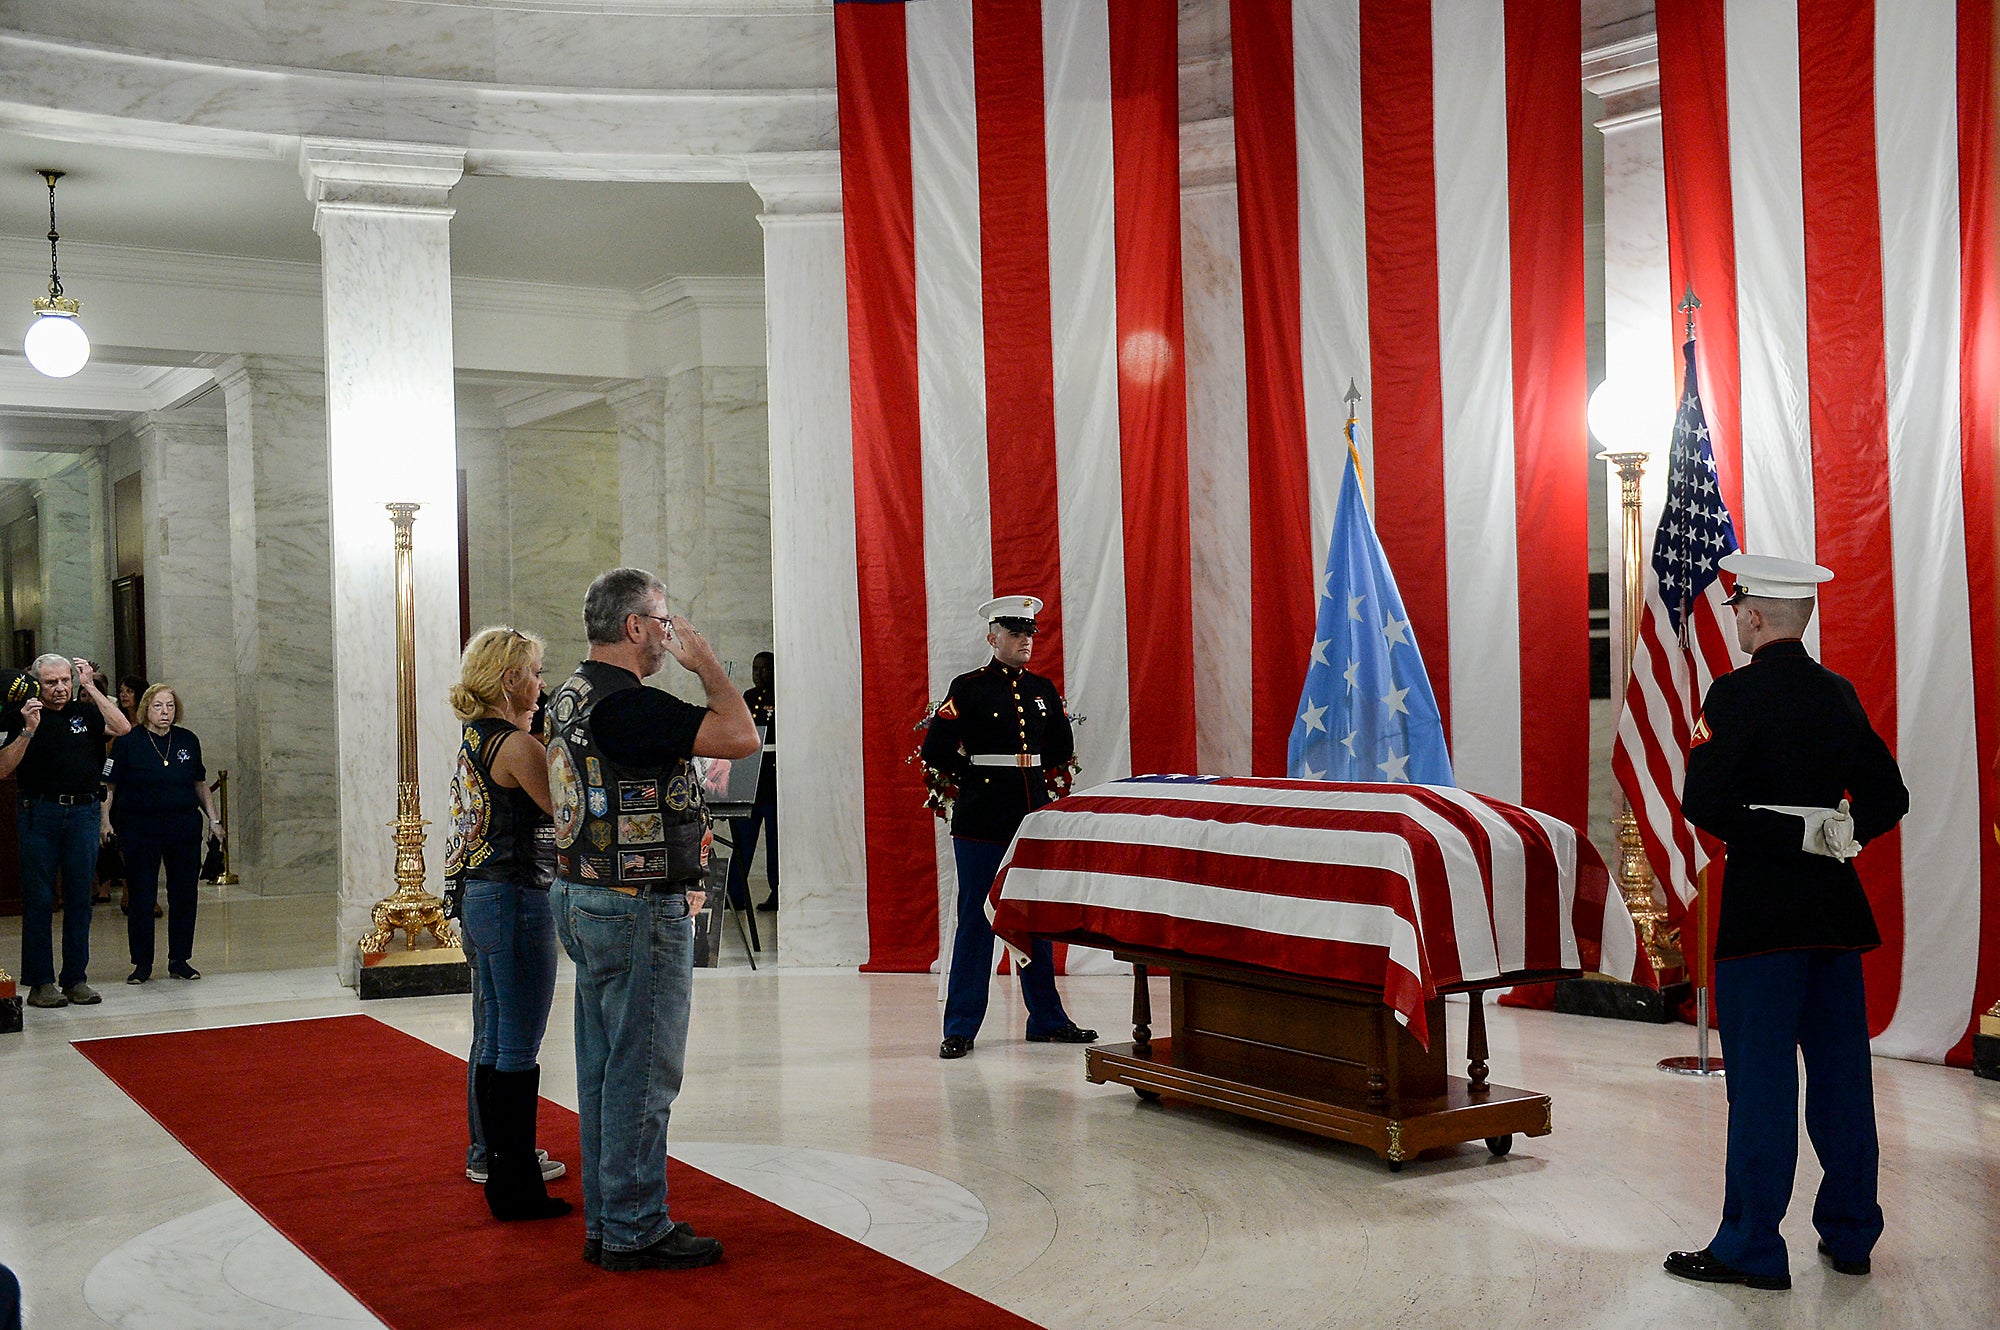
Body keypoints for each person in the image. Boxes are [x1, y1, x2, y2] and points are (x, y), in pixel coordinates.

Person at [1665, 553, 1909, 1292]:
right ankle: (1852, 1234)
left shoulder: (1735, 694)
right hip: (1834, 914)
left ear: (1755, 614)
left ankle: (1752, 1248)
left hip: (1763, 916)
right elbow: (1889, 795)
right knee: (1843, 1080)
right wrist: (1840, 831)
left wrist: (1786, 833)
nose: (1736, 620)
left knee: (1763, 1084)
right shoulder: (1839, 694)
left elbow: (1702, 800)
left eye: (1738, 610)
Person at [545, 568, 757, 1271]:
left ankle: (608, 1221)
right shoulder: (631, 704)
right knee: (644, 1074)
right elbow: (740, 737)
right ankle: (635, 1227)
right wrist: (709, 667)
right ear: (634, 626)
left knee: (606, 1070)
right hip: (637, 906)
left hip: (584, 894)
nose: (670, 635)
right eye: (663, 622)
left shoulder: (570, 693)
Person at [920, 596, 1097, 1060]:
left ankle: (1047, 1018)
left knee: (1034, 915)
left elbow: (1060, 748)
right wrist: (976, 777)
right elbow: (936, 749)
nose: (1025, 641)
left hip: (1031, 814)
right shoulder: (969, 687)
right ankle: (961, 1026)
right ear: (992, 638)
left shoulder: (1042, 688)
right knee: (977, 918)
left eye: (1029, 634)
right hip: (982, 816)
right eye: (1016, 634)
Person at [444, 626, 571, 1222]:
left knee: (495, 1036)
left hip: (480, 895)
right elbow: (567, 814)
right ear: (510, 679)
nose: (543, 685)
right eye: (536, 673)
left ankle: (498, 1166)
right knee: (518, 1042)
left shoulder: (478, 736)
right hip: (516, 896)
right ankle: (517, 1184)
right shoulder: (519, 747)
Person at [0, 655, 131, 1008]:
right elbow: (3, 768)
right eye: (50, 682)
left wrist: (90, 687)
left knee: (79, 898)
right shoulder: (19, 715)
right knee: (40, 898)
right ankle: (41, 982)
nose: (60, 688)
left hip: (83, 812)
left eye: (65, 681)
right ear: (35, 684)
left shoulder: (84, 712)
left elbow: (122, 728)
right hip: (39, 812)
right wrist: (28, 729)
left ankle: (75, 979)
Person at [102, 685, 220, 983]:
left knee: (184, 894)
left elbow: (200, 783)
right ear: (146, 709)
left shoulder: (187, 740)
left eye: (170, 706)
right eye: (158, 706)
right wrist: (104, 821)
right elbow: (109, 787)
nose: (165, 712)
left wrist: (214, 820)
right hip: (140, 828)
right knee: (142, 895)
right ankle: (142, 963)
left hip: (183, 826)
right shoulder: (128, 741)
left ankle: (179, 959)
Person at [725, 650, 778, 912]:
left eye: (764, 669)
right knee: (743, 841)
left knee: (775, 843)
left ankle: (777, 892)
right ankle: (735, 894)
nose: (759, 674)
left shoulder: (781, 696)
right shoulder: (748, 697)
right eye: (755, 668)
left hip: (774, 780)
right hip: (751, 780)